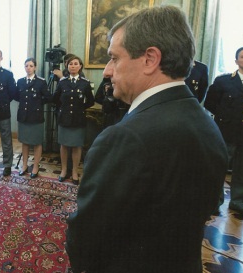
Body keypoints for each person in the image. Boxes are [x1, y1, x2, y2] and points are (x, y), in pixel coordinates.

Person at [65, 6, 228, 273]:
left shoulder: (124, 137)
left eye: (114, 58)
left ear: (150, 59)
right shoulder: (204, 121)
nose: (107, 71)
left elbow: (88, 236)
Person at [205, 45, 243, 222]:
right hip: (225, 133)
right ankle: (214, 203)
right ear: (237, 61)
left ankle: (239, 204)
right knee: (218, 168)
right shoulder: (223, 81)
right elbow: (210, 103)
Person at [53, 55, 94, 184]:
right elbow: (55, 99)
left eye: (76, 64)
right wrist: (64, 109)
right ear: (67, 66)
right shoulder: (62, 82)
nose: (73, 66)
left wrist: (80, 108)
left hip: (78, 119)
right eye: (70, 64)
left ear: (80, 66)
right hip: (64, 118)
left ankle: (75, 171)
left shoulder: (85, 83)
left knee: (77, 146)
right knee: (64, 145)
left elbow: (91, 101)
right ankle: (64, 170)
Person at [13, 58, 51, 178]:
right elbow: (17, 96)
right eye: (26, 66)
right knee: (25, 142)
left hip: (36, 116)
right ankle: (24, 165)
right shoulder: (20, 81)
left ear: (35, 67)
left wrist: (37, 104)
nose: (28, 68)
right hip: (24, 116)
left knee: (36, 142)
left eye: (30, 66)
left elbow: (48, 97)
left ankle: (35, 166)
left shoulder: (41, 82)